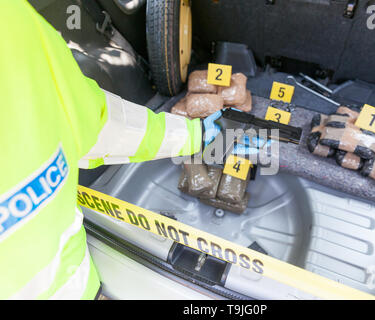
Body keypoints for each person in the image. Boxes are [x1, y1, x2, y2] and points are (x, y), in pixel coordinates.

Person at [0, 1, 221, 299]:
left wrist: (195, 134)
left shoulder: (14, 19)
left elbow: (96, 123)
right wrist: (195, 134)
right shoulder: (13, 19)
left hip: (81, 286)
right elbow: (97, 124)